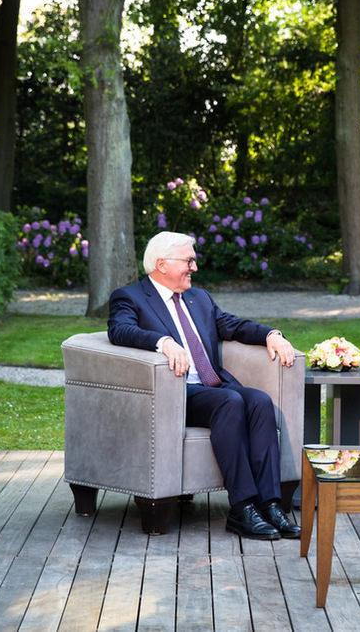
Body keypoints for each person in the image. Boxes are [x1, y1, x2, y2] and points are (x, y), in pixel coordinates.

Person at [108, 231, 301, 541]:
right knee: (230, 402)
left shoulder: (199, 298)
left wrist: (270, 335)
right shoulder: (130, 297)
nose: (194, 268)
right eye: (189, 261)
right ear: (162, 264)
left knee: (260, 401)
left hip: (213, 386)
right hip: (175, 393)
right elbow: (120, 331)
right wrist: (162, 342)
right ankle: (241, 509)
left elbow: (232, 325)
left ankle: (269, 504)